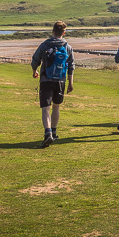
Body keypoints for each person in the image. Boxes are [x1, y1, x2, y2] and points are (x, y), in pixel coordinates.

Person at [31, 20, 74, 148]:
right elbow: (71, 66)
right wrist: (70, 83)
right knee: (56, 106)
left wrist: (35, 71)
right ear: (64, 33)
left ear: (52, 31)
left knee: (46, 108)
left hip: (46, 80)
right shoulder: (67, 47)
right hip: (60, 81)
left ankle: (47, 133)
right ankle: (54, 132)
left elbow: (35, 60)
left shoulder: (45, 45)